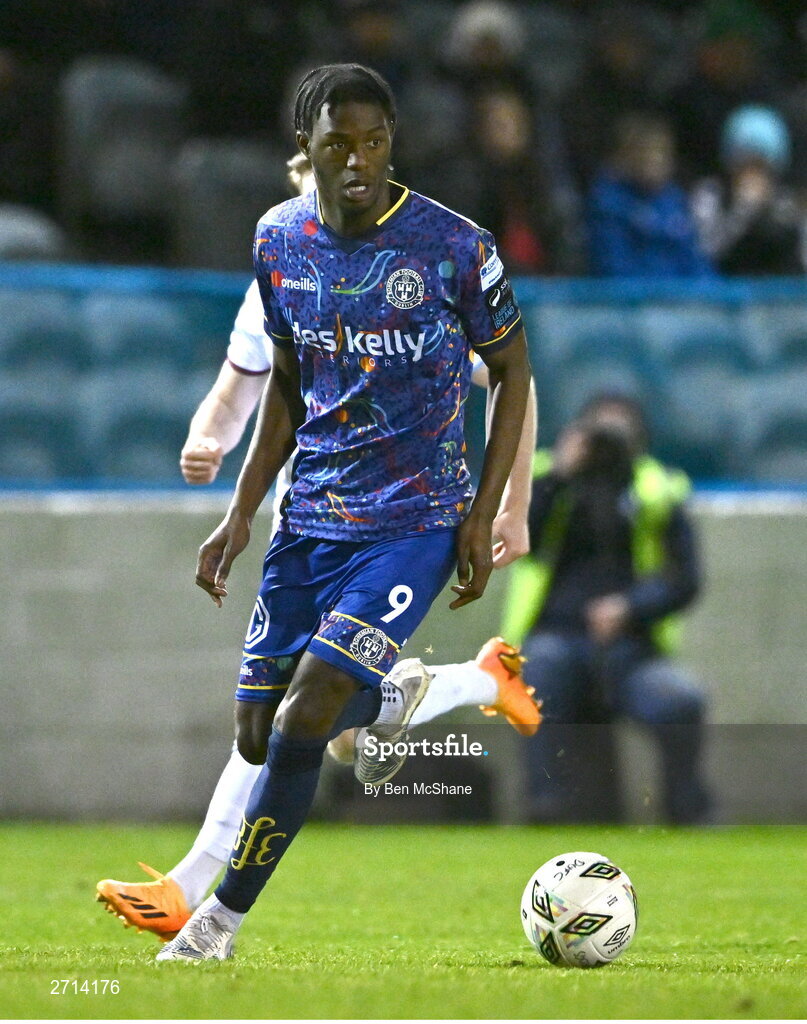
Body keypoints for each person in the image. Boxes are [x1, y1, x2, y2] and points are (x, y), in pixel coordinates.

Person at [95, 152, 540, 943]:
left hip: (398, 519)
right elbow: (248, 385)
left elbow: (508, 375)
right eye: (312, 172)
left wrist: (511, 503)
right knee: (297, 725)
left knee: (313, 705)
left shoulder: (413, 268)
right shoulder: (282, 258)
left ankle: (196, 891)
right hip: (304, 515)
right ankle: (455, 686)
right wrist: (208, 442)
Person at [504, 394, 711, 825]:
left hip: (631, 649)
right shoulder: (545, 478)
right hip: (554, 638)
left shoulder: (658, 489)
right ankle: (546, 809)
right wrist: (561, 474)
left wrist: (631, 608)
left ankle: (686, 815)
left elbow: (686, 579)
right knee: (536, 676)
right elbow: (516, 543)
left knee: (680, 700)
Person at [587, 113, 715, 278]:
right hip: (633, 300)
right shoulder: (609, 203)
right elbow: (615, 268)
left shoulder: (674, 200)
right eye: (647, 154)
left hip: (681, 299)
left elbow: (695, 260)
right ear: (628, 157)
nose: (655, 163)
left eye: (661, 155)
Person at [690, 104, 806, 275]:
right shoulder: (711, 193)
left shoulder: (785, 200)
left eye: (760, 164)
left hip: (778, 294)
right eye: (744, 162)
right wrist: (742, 209)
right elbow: (707, 250)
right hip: (726, 289)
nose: (752, 172)